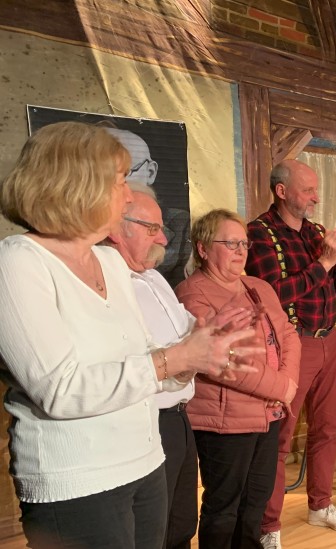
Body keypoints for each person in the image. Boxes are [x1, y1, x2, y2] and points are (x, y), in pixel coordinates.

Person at [0, 121, 256, 548]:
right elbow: (60, 390)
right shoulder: (18, 262)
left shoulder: (111, 263)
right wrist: (175, 358)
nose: (127, 194)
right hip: (77, 480)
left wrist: (198, 356)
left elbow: (145, 358)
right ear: (78, 184)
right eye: (121, 181)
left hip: (145, 461)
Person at [106, 184, 247, 549]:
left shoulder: (154, 279)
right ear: (118, 228)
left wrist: (214, 334)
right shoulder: (108, 285)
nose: (164, 239)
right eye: (153, 228)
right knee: (153, 531)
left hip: (179, 417)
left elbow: (189, 331)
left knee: (182, 524)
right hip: (146, 419)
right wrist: (191, 351)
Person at [247, 160, 336, 545]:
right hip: (291, 344)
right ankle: (269, 525)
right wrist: (327, 261)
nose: (316, 197)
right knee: (280, 437)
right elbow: (272, 295)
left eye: (316, 190)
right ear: (282, 191)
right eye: (308, 190)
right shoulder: (259, 233)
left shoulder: (317, 232)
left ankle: (320, 505)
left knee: (327, 429)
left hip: (328, 338)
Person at [175, 209, 301, 549]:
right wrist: (281, 387)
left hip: (268, 413)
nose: (240, 251)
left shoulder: (258, 286)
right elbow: (221, 360)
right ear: (202, 248)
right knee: (224, 507)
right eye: (230, 243)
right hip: (225, 422)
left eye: (244, 243)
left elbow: (289, 335)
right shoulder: (192, 294)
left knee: (256, 502)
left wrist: (287, 382)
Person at [105, 127, 190, 286]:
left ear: (151, 172)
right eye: (103, 178)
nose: (163, 240)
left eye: (124, 175)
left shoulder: (180, 223)